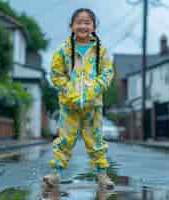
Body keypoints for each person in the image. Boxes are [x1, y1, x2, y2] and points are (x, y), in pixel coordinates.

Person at [43, 8, 115, 191]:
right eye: (79, 22)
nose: (83, 25)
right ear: (72, 26)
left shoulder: (101, 51)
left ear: (94, 26)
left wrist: (96, 88)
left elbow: (107, 72)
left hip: (93, 106)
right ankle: (56, 174)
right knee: (64, 140)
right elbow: (56, 74)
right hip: (69, 105)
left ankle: (102, 176)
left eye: (87, 22)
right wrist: (69, 90)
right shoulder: (63, 51)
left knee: (96, 142)